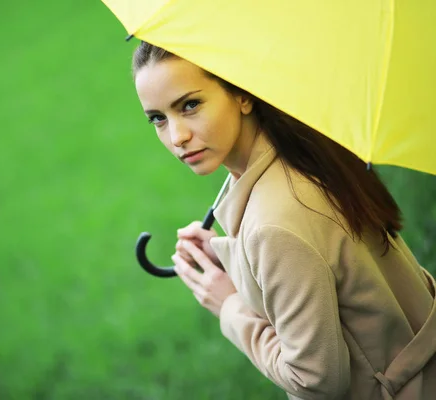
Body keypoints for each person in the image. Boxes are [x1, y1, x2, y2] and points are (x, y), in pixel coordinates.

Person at [131, 41, 436, 399]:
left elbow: (316, 381)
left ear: (243, 95)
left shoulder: (274, 225)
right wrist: (233, 259)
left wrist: (228, 305)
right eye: (158, 118)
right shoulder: (308, 151)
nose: (177, 136)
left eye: (191, 105)